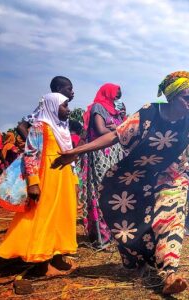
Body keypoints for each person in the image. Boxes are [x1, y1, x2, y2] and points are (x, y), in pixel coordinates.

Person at [52, 71, 189, 295]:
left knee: (171, 217)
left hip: (173, 176)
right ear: (171, 96)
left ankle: (169, 273)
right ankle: (138, 259)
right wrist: (76, 151)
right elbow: (115, 136)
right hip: (138, 176)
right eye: (186, 98)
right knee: (133, 221)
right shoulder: (148, 113)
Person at [0, 93, 78, 276]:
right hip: (47, 176)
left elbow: (70, 156)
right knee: (43, 216)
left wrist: (74, 178)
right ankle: (42, 263)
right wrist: (33, 183)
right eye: (64, 106)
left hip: (63, 178)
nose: (68, 110)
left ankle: (57, 256)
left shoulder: (62, 128)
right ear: (52, 106)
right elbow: (31, 154)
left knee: (61, 216)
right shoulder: (40, 127)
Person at [81, 83, 126, 250]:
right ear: (108, 92)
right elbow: (100, 130)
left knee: (115, 193)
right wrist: (118, 129)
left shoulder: (116, 110)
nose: (117, 97)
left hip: (115, 154)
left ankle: (115, 233)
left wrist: (121, 122)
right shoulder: (98, 107)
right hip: (102, 154)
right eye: (116, 94)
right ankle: (102, 236)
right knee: (101, 192)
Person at [16, 76, 74, 141]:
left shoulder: (64, 110)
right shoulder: (44, 103)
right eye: (69, 89)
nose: (72, 92)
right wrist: (33, 146)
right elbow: (21, 127)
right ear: (59, 89)